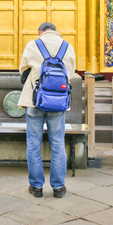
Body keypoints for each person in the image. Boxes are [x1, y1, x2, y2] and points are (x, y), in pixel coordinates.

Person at [17, 22, 76, 198]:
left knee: (33, 144)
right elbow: (70, 73)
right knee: (57, 143)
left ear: (40, 32)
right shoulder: (67, 47)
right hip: (58, 102)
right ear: (56, 31)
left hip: (35, 101)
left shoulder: (33, 45)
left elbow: (23, 70)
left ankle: (36, 186)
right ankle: (58, 187)